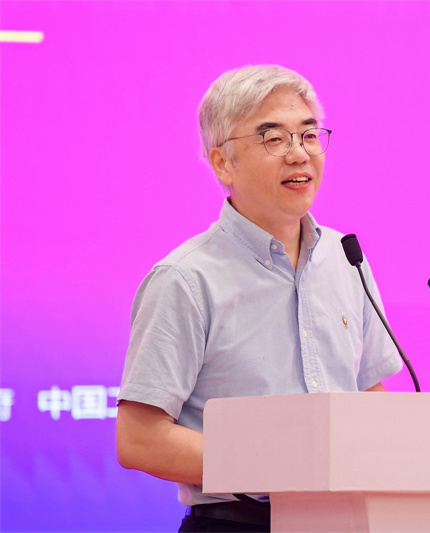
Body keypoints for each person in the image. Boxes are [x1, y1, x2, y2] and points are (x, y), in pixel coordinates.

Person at [116, 65, 403, 533]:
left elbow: (368, 391)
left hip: (346, 521)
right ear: (222, 163)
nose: (299, 154)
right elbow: (139, 440)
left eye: (308, 135)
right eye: (274, 139)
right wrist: (277, 462)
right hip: (238, 522)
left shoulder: (345, 258)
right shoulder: (186, 278)